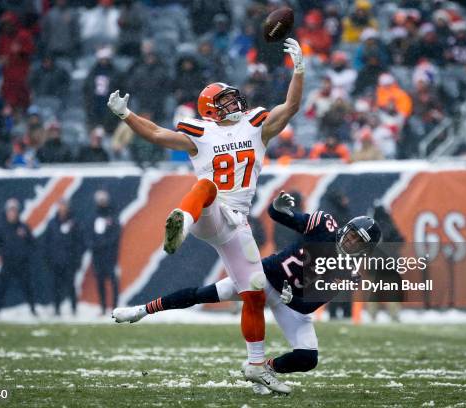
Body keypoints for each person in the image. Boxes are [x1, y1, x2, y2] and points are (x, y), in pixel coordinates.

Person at [107, 38, 305, 394]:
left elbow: (290, 106)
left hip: (236, 223)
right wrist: (126, 115)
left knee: (255, 292)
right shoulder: (201, 133)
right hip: (207, 212)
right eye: (224, 101)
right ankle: (179, 221)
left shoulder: (256, 125)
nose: (233, 102)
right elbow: (155, 133)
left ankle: (257, 366)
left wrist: (300, 71)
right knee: (208, 186)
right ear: (210, 110)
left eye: (232, 97)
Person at [112, 192, 381, 394]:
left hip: (293, 300)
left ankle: (265, 369)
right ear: (347, 228)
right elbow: (280, 217)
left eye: (359, 241)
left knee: (308, 358)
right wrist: (279, 208)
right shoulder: (325, 225)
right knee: (203, 294)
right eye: (354, 234)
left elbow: (310, 306)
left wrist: (292, 299)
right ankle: (141, 310)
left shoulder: (350, 270)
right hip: (263, 277)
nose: (352, 241)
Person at [0, 198, 36, 316]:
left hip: (21, 264)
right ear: (6, 212)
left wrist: (25, 254)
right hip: (7, 263)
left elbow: (32, 243)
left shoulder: (23, 227)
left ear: (18, 212)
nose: (12, 213)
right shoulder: (2, 227)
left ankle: (33, 310)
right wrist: (2, 253)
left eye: (14, 210)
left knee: (28, 288)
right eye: (10, 210)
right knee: (1, 289)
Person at [45, 199, 83, 316]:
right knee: (56, 287)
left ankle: (74, 309)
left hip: (69, 261)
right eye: (60, 205)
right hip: (56, 261)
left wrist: (77, 259)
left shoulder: (74, 222)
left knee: (71, 287)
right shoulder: (52, 223)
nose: (62, 208)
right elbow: (47, 243)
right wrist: (49, 259)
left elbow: (79, 242)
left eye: (64, 205)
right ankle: (57, 310)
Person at [90, 190, 120, 316]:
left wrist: (105, 244)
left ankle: (115, 308)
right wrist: (95, 245)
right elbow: (88, 234)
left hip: (110, 255)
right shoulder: (93, 216)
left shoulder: (112, 215)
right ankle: (103, 307)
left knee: (113, 282)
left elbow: (116, 234)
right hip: (98, 256)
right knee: (100, 282)